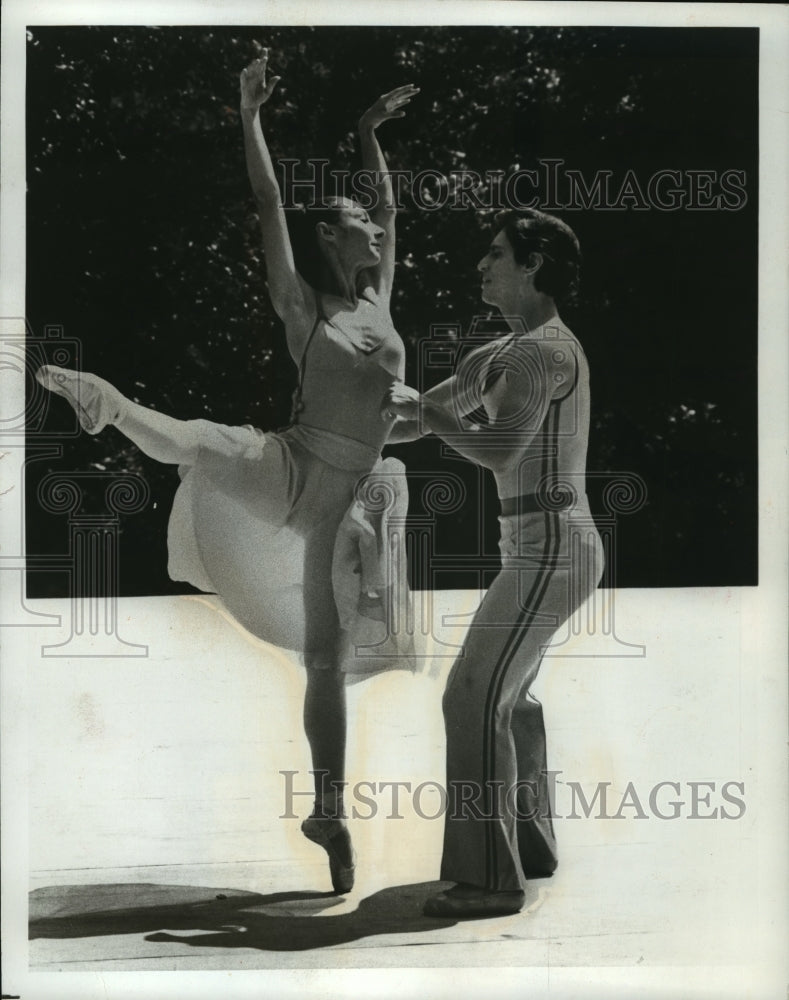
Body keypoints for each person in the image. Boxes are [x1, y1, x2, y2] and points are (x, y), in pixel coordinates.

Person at [36, 49, 419, 896]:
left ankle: (327, 809)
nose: (379, 232)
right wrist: (247, 116)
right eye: (361, 224)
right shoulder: (304, 306)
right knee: (200, 442)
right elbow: (269, 199)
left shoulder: (379, 298)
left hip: (343, 504)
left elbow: (390, 202)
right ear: (330, 236)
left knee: (326, 662)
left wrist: (366, 131)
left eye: (377, 226)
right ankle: (101, 398)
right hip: (292, 462)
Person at [384, 208, 605, 918]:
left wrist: (423, 409)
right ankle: (528, 848)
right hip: (538, 548)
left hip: (551, 548)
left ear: (533, 264)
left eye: (495, 253)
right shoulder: (504, 351)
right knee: (510, 697)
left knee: (470, 697)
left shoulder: (542, 352)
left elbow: (497, 447)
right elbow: (420, 417)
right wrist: (343, 422)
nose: (480, 265)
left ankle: (487, 880)